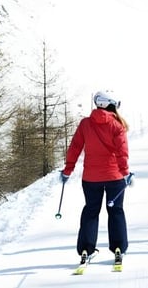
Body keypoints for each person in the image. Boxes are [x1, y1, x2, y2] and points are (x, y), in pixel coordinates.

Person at [60, 90, 133, 267]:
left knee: (91, 211)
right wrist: (125, 172)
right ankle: (118, 248)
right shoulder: (117, 125)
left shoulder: (85, 124)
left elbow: (75, 147)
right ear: (111, 105)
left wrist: (68, 170)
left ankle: (86, 249)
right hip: (114, 177)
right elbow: (122, 152)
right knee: (115, 211)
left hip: (91, 178)